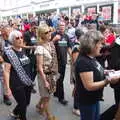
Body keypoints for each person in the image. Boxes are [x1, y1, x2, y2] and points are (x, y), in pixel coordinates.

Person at [75, 30, 120, 120]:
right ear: (92, 44)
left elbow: (97, 69)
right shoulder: (83, 61)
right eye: (100, 44)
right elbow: (89, 86)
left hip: (94, 99)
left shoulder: (91, 57)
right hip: (87, 101)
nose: (101, 46)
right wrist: (107, 81)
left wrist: (106, 71)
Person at [3, 30, 33, 120]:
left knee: (26, 102)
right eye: (17, 38)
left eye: (21, 37)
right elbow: (6, 71)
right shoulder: (8, 53)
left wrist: (35, 46)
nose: (20, 39)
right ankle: (22, 118)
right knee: (23, 104)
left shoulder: (22, 48)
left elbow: (25, 46)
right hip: (16, 83)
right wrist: (7, 88)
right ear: (12, 40)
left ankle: (15, 112)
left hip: (27, 81)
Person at [35, 24, 58, 120]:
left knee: (47, 94)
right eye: (46, 32)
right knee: (47, 97)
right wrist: (45, 81)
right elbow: (39, 67)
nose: (49, 33)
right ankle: (48, 116)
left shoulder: (50, 44)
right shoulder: (39, 48)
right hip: (44, 75)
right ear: (41, 35)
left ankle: (39, 106)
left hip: (51, 74)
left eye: (49, 31)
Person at [52, 21, 72, 105]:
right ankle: (61, 98)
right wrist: (54, 40)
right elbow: (48, 45)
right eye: (60, 25)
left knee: (60, 78)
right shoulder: (54, 35)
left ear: (65, 26)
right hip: (55, 62)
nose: (62, 27)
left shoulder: (66, 36)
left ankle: (56, 92)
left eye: (63, 25)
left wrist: (72, 57)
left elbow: (68, 47)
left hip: (63, 61)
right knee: (60, 79)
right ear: (57, 26)